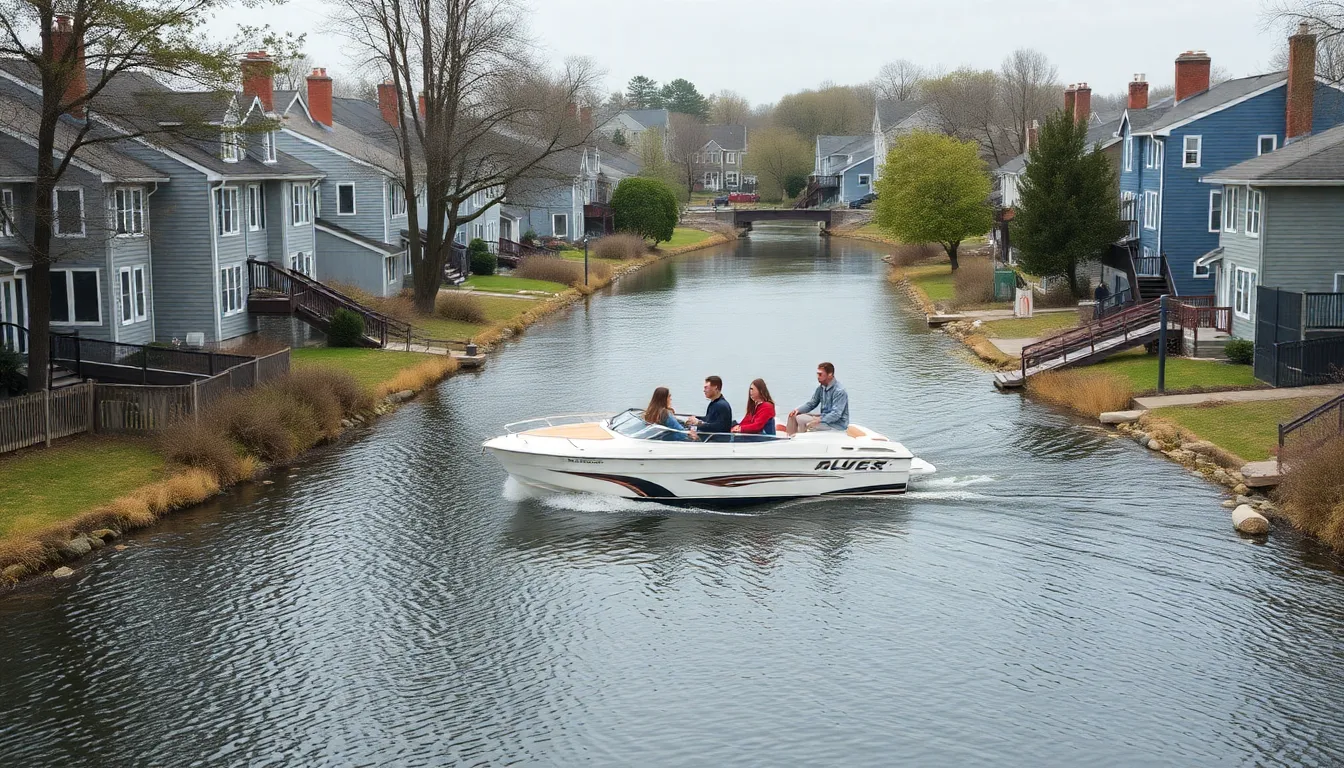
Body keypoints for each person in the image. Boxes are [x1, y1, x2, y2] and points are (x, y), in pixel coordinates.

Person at [787, 362, 849, 435]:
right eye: (817, 374)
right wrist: (798, 410)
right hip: (823, 417)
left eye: (820, 374)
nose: (818, 377)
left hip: (836, 424)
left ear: (830, 374)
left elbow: (836, 414)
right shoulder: (821, 388)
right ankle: (790, 439)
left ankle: (802, 441)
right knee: (794, 416)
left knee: (805, 422)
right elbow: (812, 403)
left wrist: (820, 420)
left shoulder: (839, 391)